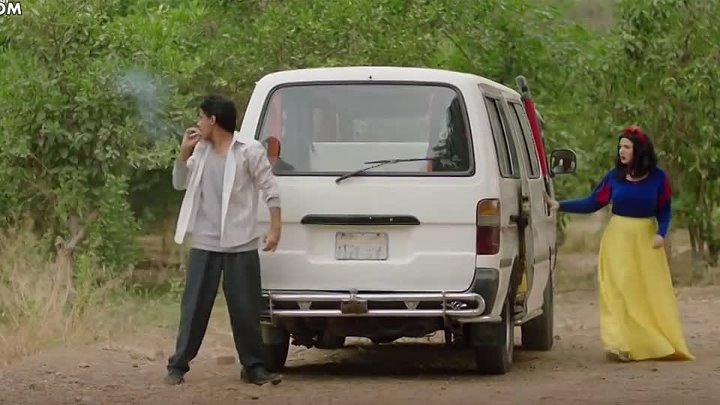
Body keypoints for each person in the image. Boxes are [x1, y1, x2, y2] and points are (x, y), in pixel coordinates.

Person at [545, 125, 694, 362]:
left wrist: (661, 233)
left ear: (639, 150)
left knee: (644, 291)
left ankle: (649, 342)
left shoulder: (658, 178)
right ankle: (618, 343)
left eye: (627, 147)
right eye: (620, 146)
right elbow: (593, 202)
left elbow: (664, 209)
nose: (621, 151)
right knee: (617, 289)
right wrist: (560, 205)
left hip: (646, 240)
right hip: (618, 239)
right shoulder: (614, 176)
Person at [165, 95, 283, 385]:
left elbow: (270, 189)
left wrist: (275, 229)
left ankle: (254, 367)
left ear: (213, 120)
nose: (198, 123)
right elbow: (179, 183)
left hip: (240, 240)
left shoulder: (248, 151)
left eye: (201, 117)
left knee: (245, 308)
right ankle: (178, 365)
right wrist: (183, 153)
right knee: (194, 307)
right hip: (205, 241)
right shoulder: (200, 151)